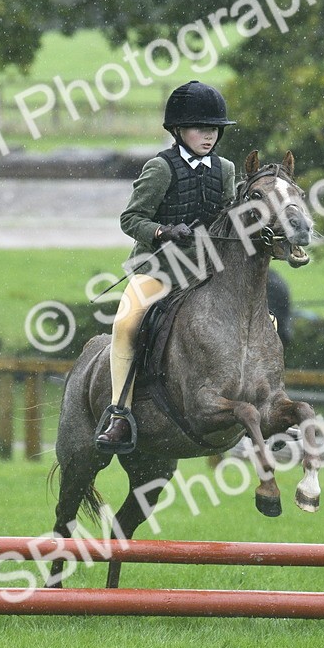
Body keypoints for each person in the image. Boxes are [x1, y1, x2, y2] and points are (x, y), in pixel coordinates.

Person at [95, 80, 238, 453]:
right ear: (178, 131)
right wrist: (162, 231)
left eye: (214, 129)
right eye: (200, 129)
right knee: (126, 325)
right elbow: (131, 219)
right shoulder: (159, 168)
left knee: (261, 319)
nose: (208, 136)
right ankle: (119, 415)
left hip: (206, 271)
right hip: (157, 269)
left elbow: (227, 218)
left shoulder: (225, 169)